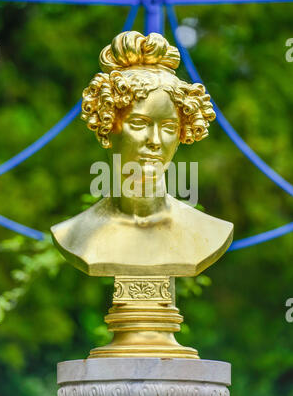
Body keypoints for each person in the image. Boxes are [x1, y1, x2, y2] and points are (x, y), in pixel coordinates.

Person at [51, 31, 233, 277]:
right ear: (106, 127)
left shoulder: (209, 233)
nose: (155, 141)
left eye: (169, 128)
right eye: (138, 124)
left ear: (182, 133)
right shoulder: (73, 236)